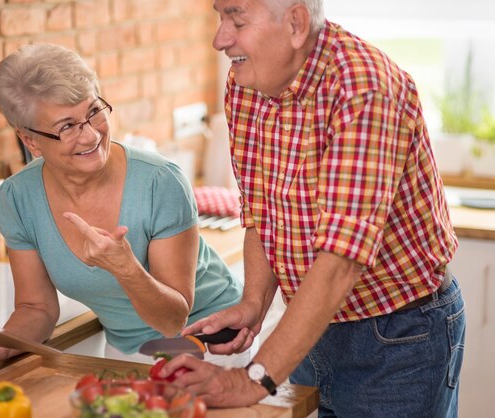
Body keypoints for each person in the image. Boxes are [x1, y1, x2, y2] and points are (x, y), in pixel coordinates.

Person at [160, 1, 466, 417]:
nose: (220, 38)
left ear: (297, 23)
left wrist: (252, 380)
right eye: (219, 17)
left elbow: (342, 259)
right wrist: (254, 303)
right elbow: (262, 210)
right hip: (312, 324)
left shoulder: (365, 88)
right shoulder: (247, 81)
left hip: (399, 339)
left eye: (236, 19)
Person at [0, 43, 248, 368]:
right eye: (66, 126)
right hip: (126, 348)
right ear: (30, 140)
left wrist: (125, 268)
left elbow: (172, 319)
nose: (90, 136)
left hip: (210, 340)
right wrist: (2, 345)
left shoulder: (160, 182)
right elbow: (37, 308)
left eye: (93, 112)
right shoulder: (18, 199)